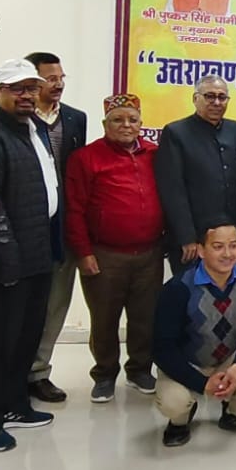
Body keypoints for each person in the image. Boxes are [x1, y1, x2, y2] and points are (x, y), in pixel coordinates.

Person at [0, 60, 60, 453]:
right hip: (8, 257)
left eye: (32, 88)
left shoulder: (33, 127)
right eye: (17, 88)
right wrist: (7, 259)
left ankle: (15, 404)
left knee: (25, 337)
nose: (26, 95)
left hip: (37, 250)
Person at [64, 93, 164, 403]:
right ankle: (105, 374)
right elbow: (74, 210)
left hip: (149, 253)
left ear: (141, 123)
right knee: (104, 319)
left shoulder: (155, 154)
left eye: (132, 119)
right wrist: (83, 252)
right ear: (104, 123)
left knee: (145, 317)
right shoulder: (86, 158)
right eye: (118, 119)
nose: (126, 125)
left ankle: (139, 370)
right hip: (104, 254)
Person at [151, 222, 236, 447]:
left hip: (229, 360)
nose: (228, 254)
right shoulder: (178, 288)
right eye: (218, 246)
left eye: (233, 245)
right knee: (174, 402)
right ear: (201, 250)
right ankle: (181, 420)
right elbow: (162, 349)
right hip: (189, 363)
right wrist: (202, 383)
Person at [24, 51, 86, 404]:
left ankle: (38, 372)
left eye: (61, 78)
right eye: (51, 78)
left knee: (56, 305)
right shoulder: (18, 118)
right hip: (27, 229)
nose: (58, 84)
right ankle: (12, 374)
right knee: (23, 308)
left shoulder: (75, 119)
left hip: (64, 228)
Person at [156, 76, 236, 267]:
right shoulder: (176, 133)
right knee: (191, 285)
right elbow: (173, 190)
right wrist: (186, 236)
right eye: (210, 96)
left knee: (229, 285)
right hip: (194, 239)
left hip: (230, 238)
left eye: (222, 97)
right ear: (195, 98)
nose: (217, 102)